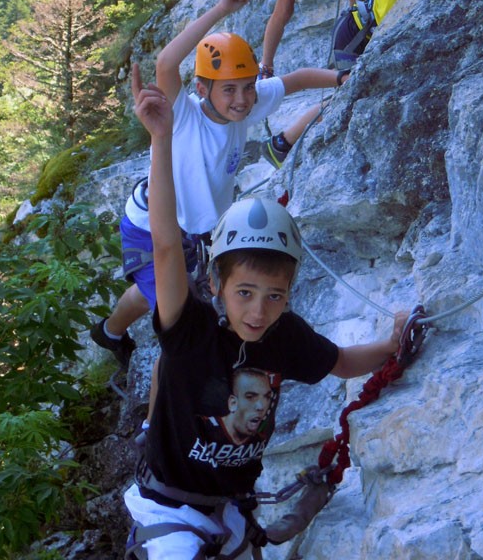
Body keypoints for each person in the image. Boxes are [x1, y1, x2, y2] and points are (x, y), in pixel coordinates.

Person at [123, 64, 407, 559]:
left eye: (275, 295)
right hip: (167, 509)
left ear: (290, 293)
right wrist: (161, 140)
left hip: (229, 508)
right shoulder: (190, 330)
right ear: (214, 285)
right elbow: (167, 246)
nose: (258, 311)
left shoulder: (283, 336)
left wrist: (391, 346)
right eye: (245, 293)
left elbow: (339, 362)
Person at [90, 0, 347, 387]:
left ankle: (108, 333)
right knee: (181, 325)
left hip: (193, 230)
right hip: (152, 226)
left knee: (148, 290)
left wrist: (342, 78)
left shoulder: (246, 101)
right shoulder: (185, 114)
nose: (242, 99)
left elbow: (294, 80)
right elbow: (166, 62)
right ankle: (156, 420)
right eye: (229, 89)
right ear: (201, 89)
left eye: (247, 86)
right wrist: (221, 8)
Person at [263, 0, 450, 166]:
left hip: (366, 31)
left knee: (353, 93)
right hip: (356, 36)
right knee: (349, 95)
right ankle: (283, 143)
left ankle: (282, 143)